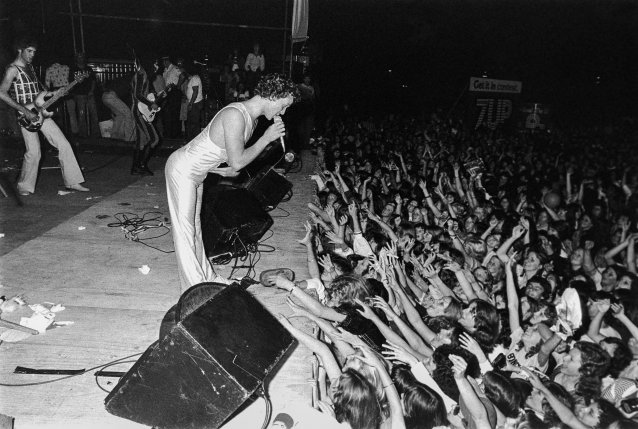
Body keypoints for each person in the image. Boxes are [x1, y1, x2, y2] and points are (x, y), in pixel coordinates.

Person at [165, 74, 298, 292]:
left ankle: (207, 278)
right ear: (273, 96)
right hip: (182, 169)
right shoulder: (235, 115)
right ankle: (194, 291)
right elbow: (238, 161)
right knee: (185, 232)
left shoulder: (251, 120)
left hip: (198, 173)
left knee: (196, 230)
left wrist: (229, 166)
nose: (282, 112)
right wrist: (265, 139)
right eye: (283, 106)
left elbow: (232, 162)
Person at [0, 37, 89, 195]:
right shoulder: (13, 69)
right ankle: (24, 186)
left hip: (41, 111)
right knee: (34, 151)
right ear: (20, 50)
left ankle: (73, 182)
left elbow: (40, 91)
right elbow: (2, 93)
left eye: (34, 52)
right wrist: (25, 111)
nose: (33, 55)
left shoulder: (31, 68)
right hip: (26, 114)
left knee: (64, 144)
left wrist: (56, 92)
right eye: (30, 51)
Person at [131, 57, 160, 175]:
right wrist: (150, 103)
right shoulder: (141, 74)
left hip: (140, 110)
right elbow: (137, 94)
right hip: (139, 112)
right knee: (154, 139)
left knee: (141, 142)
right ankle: (141, 165)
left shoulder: (143, 74)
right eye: (155, 63)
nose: (157, 66)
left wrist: (153, 96)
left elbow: (142, 93)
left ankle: (135, 167)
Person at [68, 52, 100, 138]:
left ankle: (96, 134)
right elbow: (71, 82)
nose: (80, 58)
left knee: (94, 114)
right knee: (81, 115)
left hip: (90, 94)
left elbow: (93, 81)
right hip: (79, 95)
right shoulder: (73, 69)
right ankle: (83, 135)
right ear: (76, 58)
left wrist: (92, 91)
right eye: (78, 57)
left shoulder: (89, 69)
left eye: (82, 57)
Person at [101, 73, 135, 142]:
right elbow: (130, 98)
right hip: (111, 96)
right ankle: (130, 139)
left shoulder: (125, 79)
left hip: (105, 96)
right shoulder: (133, 79)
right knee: (128, 114)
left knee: (120, 115)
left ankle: (115, 137)